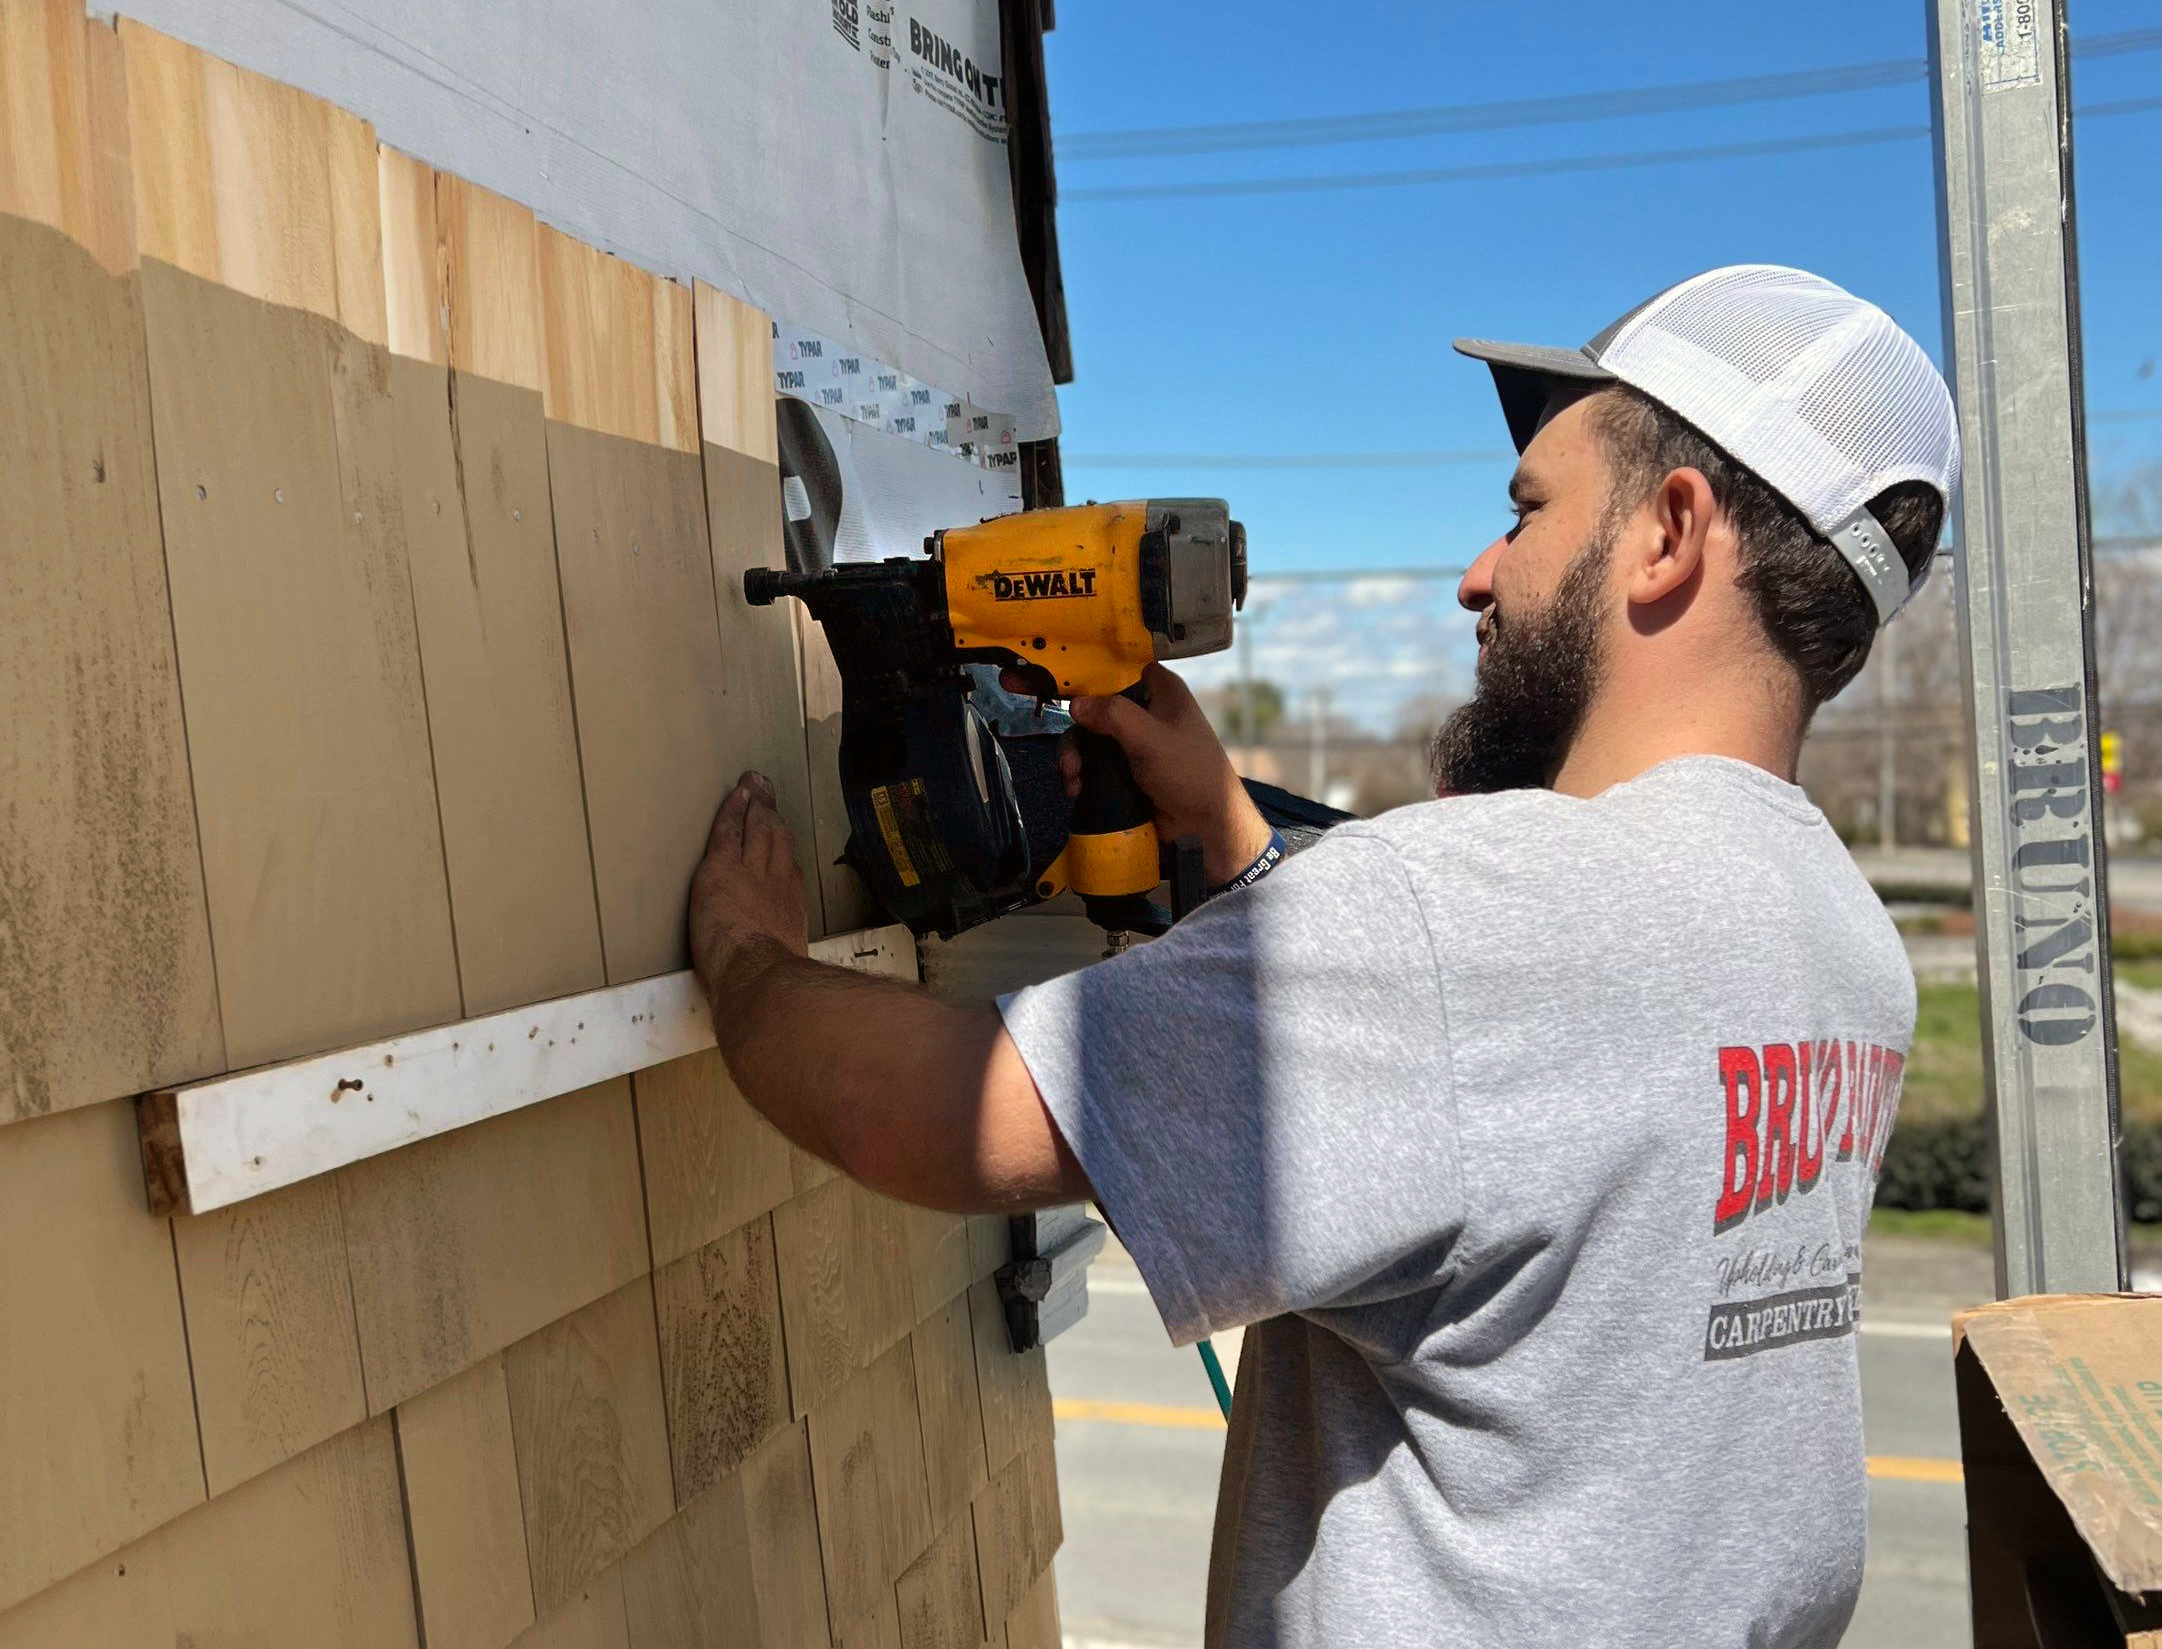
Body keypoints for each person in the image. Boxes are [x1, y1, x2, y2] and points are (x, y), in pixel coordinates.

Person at [686, 265, 1960, 1648]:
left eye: (1527, 510)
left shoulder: (1462, 915)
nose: (1481, 572)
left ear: (1668, 533)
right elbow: (1503, 1125)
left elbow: (939, 1112)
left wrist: (749, 963)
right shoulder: (1836, 931)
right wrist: (1232, 837)